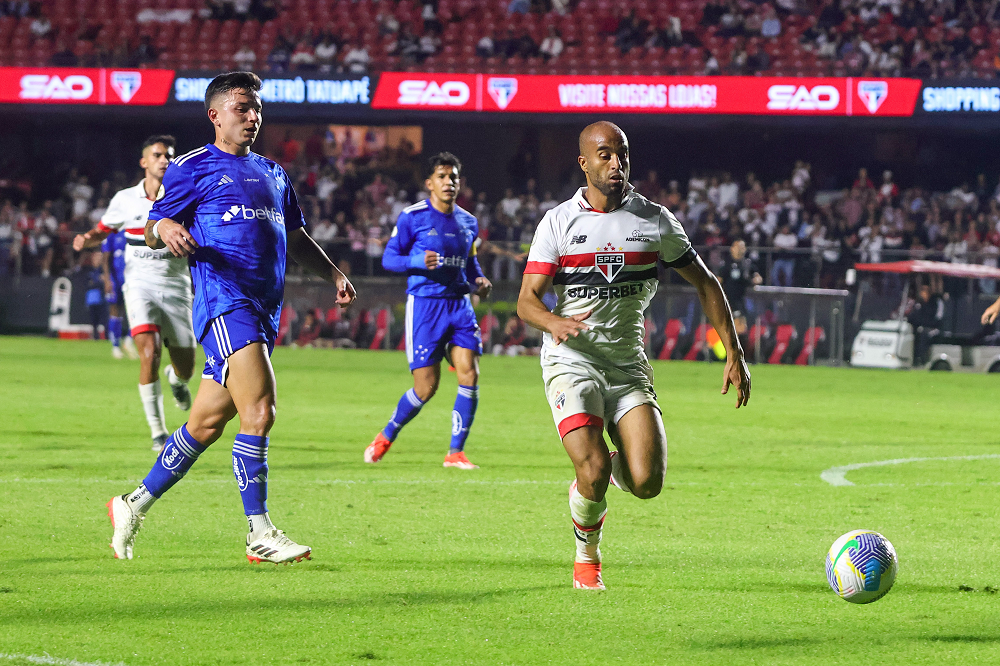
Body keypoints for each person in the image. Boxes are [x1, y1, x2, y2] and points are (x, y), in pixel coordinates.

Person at [105, 71, 356, 564]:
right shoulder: (192, 167)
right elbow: (154, 224)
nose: (253, 116)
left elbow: (297, 237)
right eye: (242, 107)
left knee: (204, 425)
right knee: (260, 410)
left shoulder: (273, 172)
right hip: (225, 303)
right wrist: (167, 227)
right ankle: (259, 532)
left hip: (263, 310)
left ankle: (132, 505)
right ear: (215, 115)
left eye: (257, 108)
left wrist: (333, 275)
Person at [516, 121, 751, 590]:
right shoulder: (559, 222)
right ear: (584, 163)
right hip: (572, 360)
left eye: (621, 154)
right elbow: (527, 301)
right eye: (604, 155)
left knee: (647, 483)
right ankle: (588, 555)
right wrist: (554, 322)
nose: (616, 163)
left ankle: (595, 477)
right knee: (595, 468)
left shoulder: (654, 220)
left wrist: (734, 350)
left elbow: (706, 283)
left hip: (626, 366)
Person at [365, 152, 492, 470]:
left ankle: (455, 453)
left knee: (470, 372)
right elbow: (389, 259)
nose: (449, 182)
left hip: (459, 305)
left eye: (453, 177)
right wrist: (416, 262)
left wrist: (478, 279)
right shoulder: (412, 217)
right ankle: (386, 434)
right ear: (429, 183)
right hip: (425, 307)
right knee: (426, 388)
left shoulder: (468, 222)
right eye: (442, 176)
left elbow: (470, 261)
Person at [73, 135, 195, 452]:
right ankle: (158, 432)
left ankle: (177, 379)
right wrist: (87, 238)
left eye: (169, 155)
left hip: (177, 286)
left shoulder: (185, 195)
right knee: (149, 353)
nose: (165, 159)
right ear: (144, 162)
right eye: (157, 155)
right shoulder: (125, 199)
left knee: (186, 367)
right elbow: (105, 229)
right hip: (139, 284)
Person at [100, 230, 139, 360]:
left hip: (132, 277)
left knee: (135, 311)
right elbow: (105, 258)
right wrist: (107, 279)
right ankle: (115, 346)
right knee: (115, 311)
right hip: (115, 279)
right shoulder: (113, 232)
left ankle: (128, 340)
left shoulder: (132, 229)